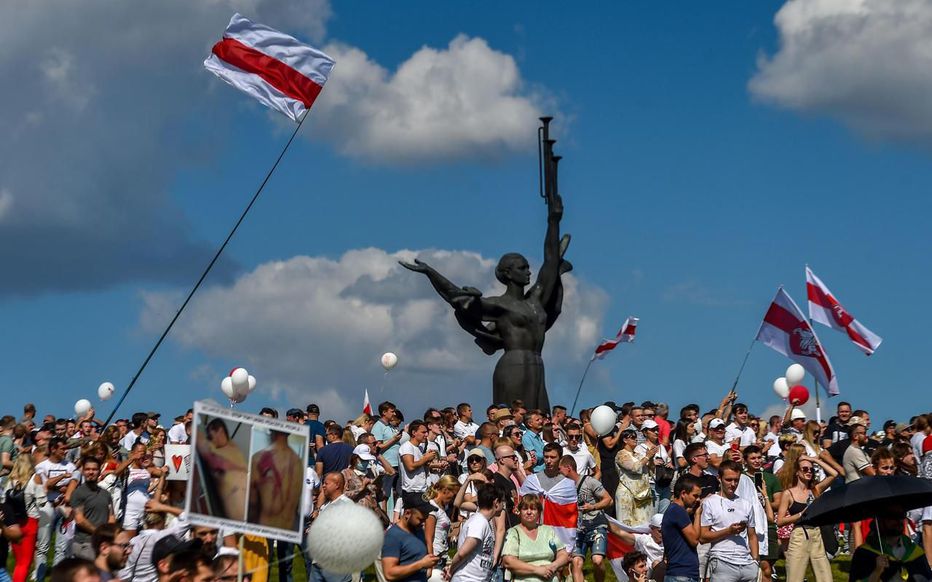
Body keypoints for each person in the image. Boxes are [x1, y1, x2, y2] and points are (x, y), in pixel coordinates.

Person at [775, 455, 837, 582]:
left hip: (816, 535)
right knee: (795, 577)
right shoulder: (788, 493)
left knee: (825, 577)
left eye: (811, 469)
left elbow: (834, 474)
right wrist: (800, 514)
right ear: (797, 472)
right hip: (799, 535)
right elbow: (780, 521)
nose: (809, 471)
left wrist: (814, 460)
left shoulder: (815, 490)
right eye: (805, 469)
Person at [699, 460, 758, 582]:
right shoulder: (710, 502)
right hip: (722, 561)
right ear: (719, 478)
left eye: (736, 480)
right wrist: (728, 531)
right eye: (729, 480)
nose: (733, 484)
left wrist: (755, 560)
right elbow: (703, 537)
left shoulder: (746, 504)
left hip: (747, 564)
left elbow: (752, 535)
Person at [34, 436, 80, 580]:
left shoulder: (70, 466)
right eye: (62, 449)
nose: (65, 452)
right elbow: (46, 486)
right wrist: (61, 479)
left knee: (61, 547)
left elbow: (74, 483)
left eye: (66, 449)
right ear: (53, 449)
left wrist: (59, 486)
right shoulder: (42, 466)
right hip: (47, 507)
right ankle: (39, 576)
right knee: (43, 546)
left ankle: (56, 577)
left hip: (64, 508)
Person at [560, 456, 612, 582]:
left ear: (568, 468)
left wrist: (593, 507)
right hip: (577, 529)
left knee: (597, 561)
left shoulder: (590, 482)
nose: (558, 472)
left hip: (596, 526)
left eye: (560, 469)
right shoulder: (563, 488)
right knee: (576, 562)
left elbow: (608, 500)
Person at [501, 494, 571, 582]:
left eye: (533, 509)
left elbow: (563, 554)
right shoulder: (513, 532)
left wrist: (553, 566)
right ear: (519, 511)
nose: (529, 512)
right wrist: (537, 570)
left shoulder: (548, 531)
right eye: (525, 509)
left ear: (539, 512)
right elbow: (509, 561)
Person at [848, 513, 932, 582]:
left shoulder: (914, 551)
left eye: (901, 516)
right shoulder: (865, 553)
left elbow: (927, 578)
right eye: (893, 517)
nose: (899, 521)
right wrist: (877, 571)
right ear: (880, 521)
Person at [447, 482, 505, 582]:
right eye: (502, 502)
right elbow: (462, 553)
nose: (503, 505)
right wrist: (450, 571)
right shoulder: (479, 522)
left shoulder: (483, 521)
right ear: (496, 503)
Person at [248, 430, 302, 530]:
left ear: (271, 432)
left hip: (264, 525)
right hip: (287, 527)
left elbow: (252, 500)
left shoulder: (258, 458)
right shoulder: (298, 463)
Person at [195, 418, 248, 521]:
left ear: (220, 430)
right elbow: (201, 442)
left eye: (211, 436)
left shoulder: (233, 448)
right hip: (235, 509)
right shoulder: (216, 450)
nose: (211, 441)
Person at [381, 498, 440, 582]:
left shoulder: (419, 531)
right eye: (420, 519)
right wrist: (421, 564)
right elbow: (389, 574)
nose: (423, 523)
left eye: (425, 519)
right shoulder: (393, 536)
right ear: (407, 513)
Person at [3, 453, 41, 582]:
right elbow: (42, 501)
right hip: (30, 521)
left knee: (18, 562)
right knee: (25, 563)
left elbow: (4, 502)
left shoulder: (10, 481)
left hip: (13, 522)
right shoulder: (34, 479)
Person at [70, 457, 115, 560]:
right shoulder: (78, 493)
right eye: (87, 469)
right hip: (86, 543)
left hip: (104, 543)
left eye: (94, 469)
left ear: (99, 471)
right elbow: (79, 520)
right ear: (83, 471)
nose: (91, 472)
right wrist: (99, 533)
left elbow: (111, 517)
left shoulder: (106, 494)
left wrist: (108, 535)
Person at [662, 474, 702, 582]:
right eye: (695, 496)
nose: (698, 500)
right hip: (682, 575)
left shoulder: (675, 511)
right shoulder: (677, 510)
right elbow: (694, 540)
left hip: (682, 575)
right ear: (683, 493)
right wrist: (698, 514)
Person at [614, 428, 655, 526]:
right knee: (627, 525)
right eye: (632, 437)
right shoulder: (621, 454)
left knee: (644, 524)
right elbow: (634, 468)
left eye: (636, 437)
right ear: (625, 440)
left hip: (642, 494)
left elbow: (650, 470)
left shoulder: (638, 455)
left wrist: (651, 459)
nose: (635, 439)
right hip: (627, 493)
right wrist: (647, 457)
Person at [608, 513, 665, 581]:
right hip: (651, 575)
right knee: (656, 564)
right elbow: (618, 532)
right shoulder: (643, 540)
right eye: (660, 531)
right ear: (652, 528)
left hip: (670, 572)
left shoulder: (671, 541)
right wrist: (602, 518)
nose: (663, 533)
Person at [400, 421, 438, 507]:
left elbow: (420, 466)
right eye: (423, 432)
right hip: (412, 491)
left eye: (426, 432)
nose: (426, 435)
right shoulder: (407, 447)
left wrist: (427, 460)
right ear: (414, 433)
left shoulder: (419, 448)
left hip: (422, 490)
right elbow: (410, 466)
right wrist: (426, 458)